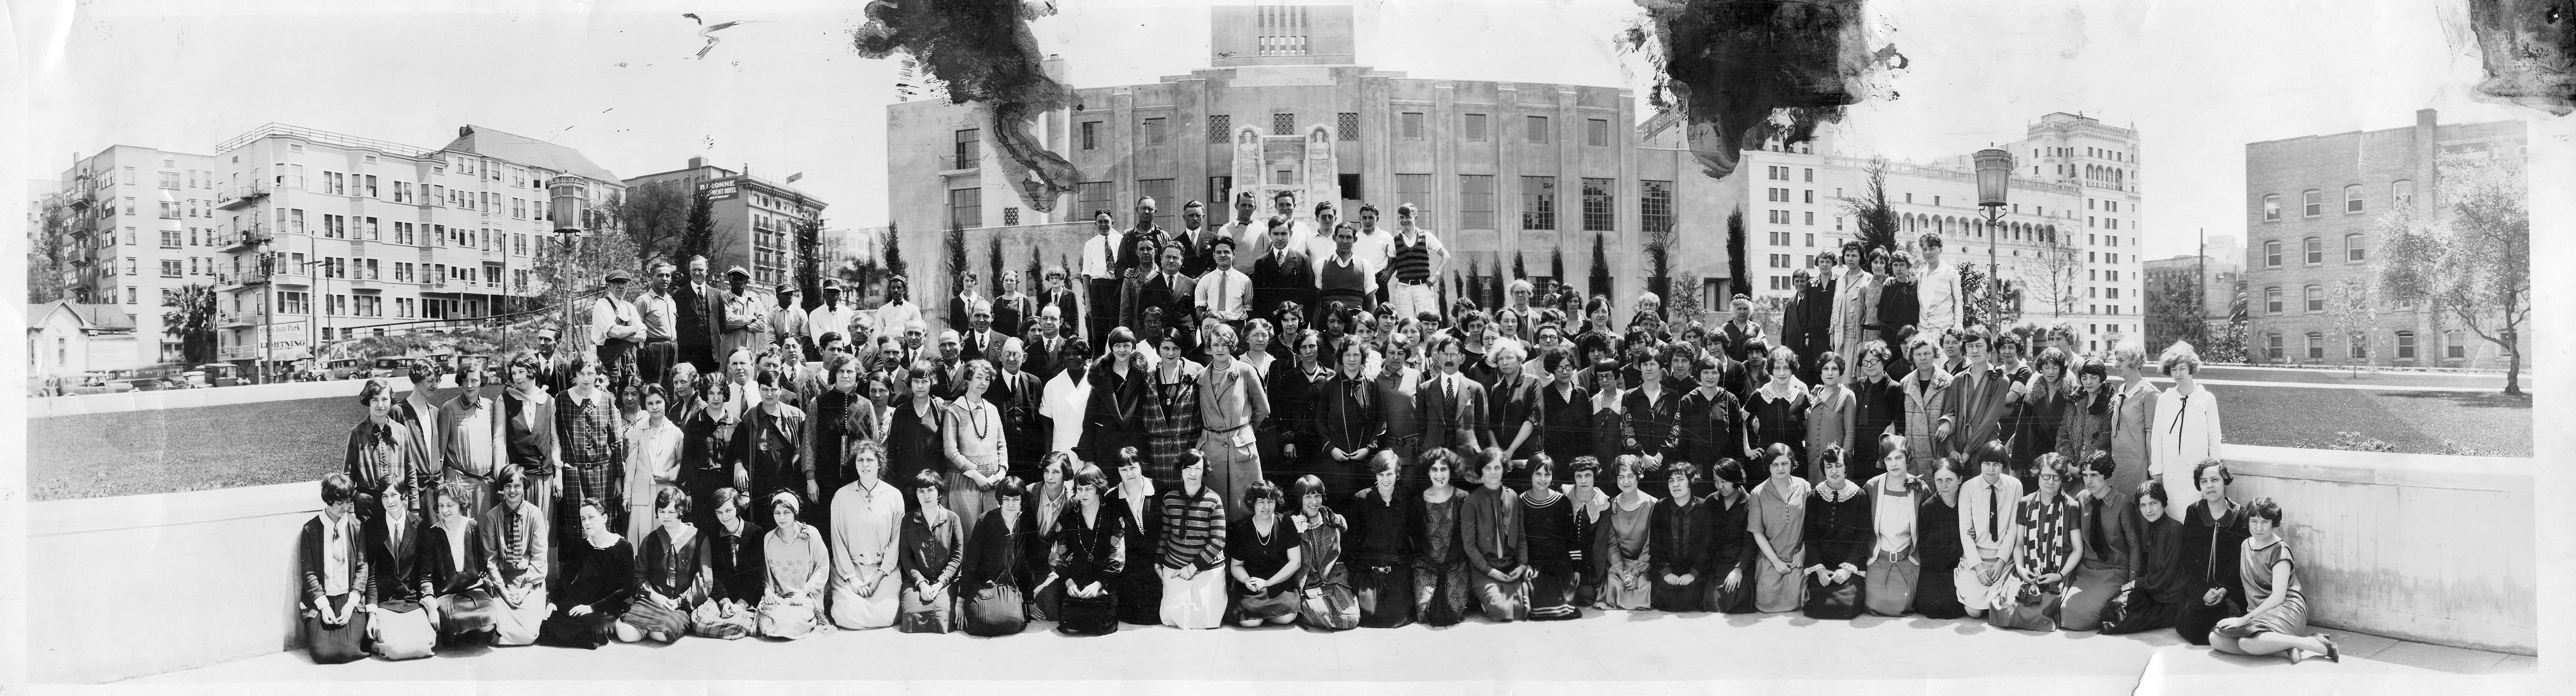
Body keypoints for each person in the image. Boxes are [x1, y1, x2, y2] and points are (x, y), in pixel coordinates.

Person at [1997, 453, 2084, 632]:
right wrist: (2021, 569)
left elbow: (2077, 549)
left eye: (2056, 478)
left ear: (2062, 479)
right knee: (2004, 609)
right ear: (2038, 475)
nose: (2050, 482)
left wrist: (2059, 576)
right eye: (2046, 476)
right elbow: (2020, 544)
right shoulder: (2025, 503)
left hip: (2058, 572)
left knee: (2041, 614)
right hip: (2028, 568)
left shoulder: (2071, 506)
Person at [536, 498, 635, 649]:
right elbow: (565, 579)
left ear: (605, 518)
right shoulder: (582, 546)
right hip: (579, 600)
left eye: (591, 517)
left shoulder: (623, 547)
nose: (587, 523)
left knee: (593, 628)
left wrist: (592, 607)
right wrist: (552, 602)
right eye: (583, 519)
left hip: (605, 606)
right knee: (548, 620)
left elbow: (626, 589)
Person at [1194, 324, 1270, 518]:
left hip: (1241, 449)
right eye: (1215, 344)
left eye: (1225, 345)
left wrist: (1245, 431)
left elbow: (1263, 409)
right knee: (1213, 508)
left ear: (1232, 347)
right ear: (1209, 347)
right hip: (1212, 448)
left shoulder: (1245, 371)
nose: (1220, 349)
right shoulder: (1202, 376)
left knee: (1245, 507)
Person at [826, 441, 904, 629]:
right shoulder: (841, 496)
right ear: (855, 464)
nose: (865, 464)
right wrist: (853, 579)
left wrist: (878, 577)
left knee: (885, 616)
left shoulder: (894, 496)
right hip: (849, 569)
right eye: (860, 460)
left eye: (870, 459)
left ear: (880, 463)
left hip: (883, 569)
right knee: (845, 616)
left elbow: (896, 541)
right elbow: (837, 541)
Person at [2097, 480, 2191, 636]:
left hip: (2170, 599)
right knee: (2112, 607)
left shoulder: (2175, 528)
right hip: (2153, 593)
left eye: (2153, 503)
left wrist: (2135, 584)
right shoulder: (2151, 525)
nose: (2148, 510)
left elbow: (2166, 577)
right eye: (2143, 505)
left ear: (2163, 503)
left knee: (2117, 622)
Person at [2060, 452, 2140, 631]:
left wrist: (2131, 583)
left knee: (2082, 619)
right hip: (2087, 571)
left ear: (2107, 476)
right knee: (2064, 612)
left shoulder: (2123, 503)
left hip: (2114, 572)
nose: (2089, 481)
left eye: (2095, 476)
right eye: (2085, 475)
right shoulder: (2081, 498)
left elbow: (2135, 546)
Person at [298, 474, 373, 664]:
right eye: (340, 503)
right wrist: (323, 607)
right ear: (329, 500)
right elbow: (308, 573)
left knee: (351, 650)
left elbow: (362, 567)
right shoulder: (311, 529)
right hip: (322, 600)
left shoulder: (356, 526)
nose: (345, 508)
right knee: (322, 652)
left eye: (348, 502)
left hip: (349, 598)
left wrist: (351, 604)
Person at [2175, 459, 2251, 644]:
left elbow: (2240, 562)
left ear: (2225, 481)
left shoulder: (2240, 516)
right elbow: (2188, 557)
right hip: (2201, 588)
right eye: (2204, 481)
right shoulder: (2194, 512)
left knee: (2232, 623)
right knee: (2193, 622)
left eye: (2215, 480)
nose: (2210, 486)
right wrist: (2203, 591)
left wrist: (2224, 590)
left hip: (2231, 590)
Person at [1048, 462, 1128, 635]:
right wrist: (1069, 582)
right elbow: (1057, 554)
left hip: (1105, 581)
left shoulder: (1112, 513)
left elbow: (1118, 556)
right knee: (1070, 628)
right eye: (1079, 489)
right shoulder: (1070, 512)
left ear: (1099, 488)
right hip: (1076, 580)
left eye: (1088, 489)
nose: (1083, 494)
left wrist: (1098, 585)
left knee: (1100, 627)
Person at [416, 483, 498, 645]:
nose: (445, 510)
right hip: (447, 595)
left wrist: (485, 583)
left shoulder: (472, 526)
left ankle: (469, 632)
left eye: (450, 505)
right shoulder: (432, 534)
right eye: (441, 505)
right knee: (460, 623)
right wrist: (431, 605)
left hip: (473, 590)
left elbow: (480, 565)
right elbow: (425, 576)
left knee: (489, 623)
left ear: (461, 505)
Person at [478, 466, 550, 646]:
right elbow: (490, 559)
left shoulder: (535, 515)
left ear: (525, 486)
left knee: (529, 634)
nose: (512, 491)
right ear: (502, 488)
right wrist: (502, 590)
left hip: (529, 581)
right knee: (494, 627)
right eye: (508, 485)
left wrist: (526, 589)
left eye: (518, 486)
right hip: (502, 581)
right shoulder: (492, 516)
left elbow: (540, 556)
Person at [1457, 451, 1533, 621]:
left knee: (1525, 610)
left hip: (1510, 568)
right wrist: (1490, 571)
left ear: (1504, 470)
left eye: (1497, 467)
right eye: (1488, 468)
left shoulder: (1514, 497)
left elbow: (1521, 537)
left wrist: (1522, 566)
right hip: (1484, 570)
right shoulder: (1472, 502)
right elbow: (1469, 546)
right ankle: (1485, 599)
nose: (1493, 472)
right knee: (1501, 611)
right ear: (1481, 471)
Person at [1157, 451, 1230, 629]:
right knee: (1174, 619)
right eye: (1188, 468)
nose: (1192, 474)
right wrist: (1158, 563)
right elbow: (1165, 534)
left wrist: (1192, 568)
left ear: (1204, 470)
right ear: (1180, 471)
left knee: (1208, 621)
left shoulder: (1213, 500)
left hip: (1207, 569)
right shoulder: (1169, 499)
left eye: (1198, 468)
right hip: (1176, 567)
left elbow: (1218, 541)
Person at [2149, 342, 2224, 510]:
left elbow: (2214, 439)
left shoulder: (2207, 399)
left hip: (2197, 474)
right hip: (2170, 475)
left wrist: (2212, 472)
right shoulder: (2164, 399)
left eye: (2182, 369)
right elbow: (2157, 439)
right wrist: (2158, 471)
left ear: (2191, 368)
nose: (2178, 374)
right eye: (2174, 370)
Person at [1954, 440, 2024, 619]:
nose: (1991, 469)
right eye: (1987, 464)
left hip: (2004, 558)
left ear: (2003, 466)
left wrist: (2001, 562)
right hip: (1977, 557)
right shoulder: (1968, 488)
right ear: (1981, 464)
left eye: (1996, 464)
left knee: (2004, 609)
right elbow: (1965, 532)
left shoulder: (2015, 486)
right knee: (1974, 612)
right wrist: (1979, 568)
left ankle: (1997, 599)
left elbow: (2012, 529)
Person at [1348, 451, 1416, 628]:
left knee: (1398, 616)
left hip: (1398, 571)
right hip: (1369, 572)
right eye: (1380, 474)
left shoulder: (1407, 498)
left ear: (1397, 474)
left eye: (1390, 474)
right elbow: (1353, 542)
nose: (1385, 480)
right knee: (1371, 617)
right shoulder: (1362, 499)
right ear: (1375, 475)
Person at [1801, 446, 1871, 620]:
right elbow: (1810, 537)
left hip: (1849, 568)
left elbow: (1863, 537)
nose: (1834, 471)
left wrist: (1848, 569)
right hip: (1823, 568)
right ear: (1823, 469)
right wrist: (1819, 570)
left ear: (1846, 467)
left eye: (1838, 466)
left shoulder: (1860, 495)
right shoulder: (1814, 497)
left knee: (1846, 607)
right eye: (1829, 466)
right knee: (1818, 608)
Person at [1282, 475, 1358, 631]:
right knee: (1320, 612)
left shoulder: (1335, 521)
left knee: (1351, 618)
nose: (1314, 502)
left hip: (1332, 579)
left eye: (1318, 496)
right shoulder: (1288, 521)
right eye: (1308, 497)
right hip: (1305, 583)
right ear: (1300, 498)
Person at [942, 360, 1009, 537]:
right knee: (969, 535)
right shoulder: (954, 411)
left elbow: (1002, 444)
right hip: (964, 484)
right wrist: (976, 475)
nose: (983, 383)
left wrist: (1002, 472)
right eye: (979, 377)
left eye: (987, 379)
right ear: (968, 380)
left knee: (993, 535)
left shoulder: (992, 410)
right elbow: (950, 451)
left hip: (993, 483)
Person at [625, 487, 699, 643]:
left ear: (681, 511)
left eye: (671, 512)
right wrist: (654, 596)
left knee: (663, 634)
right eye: (662, 511)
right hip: (652, 601)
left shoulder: (699, 539)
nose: (666, 517)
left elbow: (705, 582)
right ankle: (644, 627)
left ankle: (647, 628)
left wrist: (680, 601)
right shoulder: (650, 540)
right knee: (626, 633)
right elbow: (638, 577)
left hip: (679, 606)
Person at [1226, 479, 1305, 626]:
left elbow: (1296, 562)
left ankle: (1265, 614)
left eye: (1271, 502)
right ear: (1253, 503)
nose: (1267, 507)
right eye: (1261, 502)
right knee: (1250, 623)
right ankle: (1262, 614)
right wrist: (1247, 581)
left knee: (1286, 618)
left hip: (1279, 583)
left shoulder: (1286, 524)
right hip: (1253, 584)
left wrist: (1269, 583)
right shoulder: (1243, 528)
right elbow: (1236, 566)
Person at [893, 470, 963, 634]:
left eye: (931, 490)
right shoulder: (908, 520)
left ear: (939, 492)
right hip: (916, 582)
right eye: (921, 491)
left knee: (943, 618)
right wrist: (921, 583)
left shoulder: (953, 519)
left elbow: (957, 557)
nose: (926, 496)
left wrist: (940, 584)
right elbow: (906, 557)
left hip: (946, 581)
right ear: (916, 494)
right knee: (911, 617)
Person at [756, 491, 832, 639]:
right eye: (777, 513)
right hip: (779, 597)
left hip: (805, 597)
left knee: (791, 625)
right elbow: (767, 573)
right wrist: (768, 592)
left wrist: (803, 592)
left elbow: (822, 567)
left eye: (787, 513)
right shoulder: (769, 539)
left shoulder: (811, 534)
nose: (781, 518)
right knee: (768, 625)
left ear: (795, 513)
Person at [1862, 435, 1925, 617]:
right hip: (1878, 559)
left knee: (1902, 605)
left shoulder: (1920, 488)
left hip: (1908, 559)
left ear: (1908, 458)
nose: (1894, 464)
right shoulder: (1872, 486)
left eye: (1899, 458)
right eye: (1889, 459)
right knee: (1875, 603)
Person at [689, 488, 764, 639]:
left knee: (741, 625)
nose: (724, 517)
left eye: (728, 510)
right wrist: (725, 602)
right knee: (699, 622)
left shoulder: (755, 533)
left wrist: (741, 604)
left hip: (749, 597)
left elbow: (755, 576)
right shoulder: (712, 535)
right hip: (723, 597)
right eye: (719, 512)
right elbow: (713, 574)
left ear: (738, 508)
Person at [1410, 448, 1474, 624]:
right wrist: (1429, 562)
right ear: (1428, 472)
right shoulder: (1419, 501)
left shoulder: (1463, 498)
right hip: (1426, 567)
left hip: (1456, 567)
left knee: (1451, 614)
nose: (1439, 474)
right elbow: (1416, 539)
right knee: (1425, 615)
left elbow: (1467, 539)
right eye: (1434, 469)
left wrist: (1451, 563)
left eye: (1444, 469)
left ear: (1451, 471)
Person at [1589, 455, 1660, 612]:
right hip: (1618, 564)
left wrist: (1635, 574)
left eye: (1630, 476)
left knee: (1644, 589)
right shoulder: (1610, 505)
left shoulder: (1653, 504)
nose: (1626, 482)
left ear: (1639, 476)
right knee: (1615, 588)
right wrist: (1622, 573)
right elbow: (1611, 544)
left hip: (1644, 564)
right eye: (1621, 477)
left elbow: (1651, 544)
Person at [346, 378, 420, 525]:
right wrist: (351, 509)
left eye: (385, 399)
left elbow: (411, 472)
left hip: (397, 506)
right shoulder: (357, 433)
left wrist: (415, 506)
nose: (381, 405)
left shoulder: (401, 431)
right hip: (367, 510)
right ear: (368, 401)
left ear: (391, 400)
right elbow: (348, 476)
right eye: (375, 400)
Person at [1079, 329, 1152, 476]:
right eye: (1117, 345)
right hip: (1107, 449)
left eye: (1126, 345)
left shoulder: (1143, 374)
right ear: (1112, 348)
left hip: (1134, 448)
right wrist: (1088, 458)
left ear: (1133, 347)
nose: (1122, 350)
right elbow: (1089, 420)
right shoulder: (1100, 375)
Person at [439, 358, 507, 516]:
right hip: (459, 483)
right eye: (465, 380)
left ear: (482, 381)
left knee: (485, 534)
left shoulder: (490, 406)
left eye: (474, 380)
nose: (469, 385)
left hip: (486, 485)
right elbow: (441, 453)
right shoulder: (449, 408)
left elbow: (498, 441)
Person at [1106, 449, 1166, 626]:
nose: (1129, 473)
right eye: (1123, 470)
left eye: (1133, 467)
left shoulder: (1160, 489)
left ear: (1141, 466)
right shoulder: (1111, 497)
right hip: (1130, 566)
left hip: (1158, 559)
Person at [1648, 460, 1715, 612]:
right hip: (1667, 572)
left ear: (1691, 482)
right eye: (1671, 481)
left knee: (1690, 599)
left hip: (1694, 573)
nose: (1675, 485)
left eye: (1680, 480)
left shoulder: (1703, 507)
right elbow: (1656, 544)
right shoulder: (1661, 506)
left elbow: (1707, 546)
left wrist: (1693, 574)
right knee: (1666, 600)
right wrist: (1666, 573)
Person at [623, 386, 684, 542]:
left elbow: (682, 463)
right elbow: (631, 466)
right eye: (650, 404)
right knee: (641, 543)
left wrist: (668, 475)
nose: (655, 407)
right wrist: (627, 495)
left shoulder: (676, 432)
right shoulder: (638, 431)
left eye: (659, 402)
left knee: (664, 542)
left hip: (666, 498)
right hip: (641, 497)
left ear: (666, 403)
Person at [1912, 458, 1968, 619]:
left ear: (1960, 480)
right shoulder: (1928, 508)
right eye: (1939, 480)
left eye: (1950, 480)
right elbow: (1925, 549)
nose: (1944, 486)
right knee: (1935, 605)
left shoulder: (1967, 503)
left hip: (1964, 564)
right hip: (1938, 568)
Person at [884, 361, 946, 504]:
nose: (920, 386)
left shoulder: (941, 411)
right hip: (906, 484)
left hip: (933, 483)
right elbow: (892, 451)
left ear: (932, 383)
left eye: (925, 381)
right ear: (910, 383)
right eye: (916, 381)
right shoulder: (901, 411)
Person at [2107, 341, 2162, 496]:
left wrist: (2153, 470)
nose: (2116, 364)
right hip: (2118, 463)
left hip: (2137, 465)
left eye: (2121, 360)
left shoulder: (2150, 393)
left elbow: (2152, 435)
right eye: (2116, 359)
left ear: (2135, 362)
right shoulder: (2122, 389)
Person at [1746, 348, 1810, 465]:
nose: (1782, 373)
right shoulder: (1759, 396)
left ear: (1792, 370)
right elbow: (1742, 421)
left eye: (1786, 368)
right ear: (1771, 370)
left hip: (1795, 460)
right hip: (1767, 460)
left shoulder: (1801, 397)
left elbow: (1810, 428)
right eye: (1777, 368)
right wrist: (1747, 449)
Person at [1847, 342, 1905, 468]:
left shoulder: (1895, 388)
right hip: (1860, 449)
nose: (1869, 366)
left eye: (1873, 361)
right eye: (1865, 362)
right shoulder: (1860, 384)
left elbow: (1900, 426)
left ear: (1883, 361)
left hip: (1882, 451)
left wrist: (1888, 455)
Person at [1803, 352, 1857, 482]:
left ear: (1841, 372)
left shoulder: (1847, 396)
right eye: (1826, 369)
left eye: (1834, 369)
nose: (1830, 373)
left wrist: (1844, 462)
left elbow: (1850, 432)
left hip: (1836, 463)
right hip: (1812, 461)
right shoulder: (1814, 395)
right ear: (1820, 372)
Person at [2056, 359, 2114, 465]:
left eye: (2094, 378)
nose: (2088, 382)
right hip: (2072, 467)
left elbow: (2105, 440)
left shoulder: (2112, 403)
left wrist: (2082, 466)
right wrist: (2069, 462)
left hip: (2096, 467)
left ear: (2102, 377)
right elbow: (2063, 433)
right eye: (2084, 378)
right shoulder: (2074, 401)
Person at [1915, 233, 1961, 337]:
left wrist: (1958, 327)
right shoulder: (1921, 274)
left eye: (1932, 249)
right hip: (1923, 333)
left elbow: (1958, 301)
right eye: (1924, 249)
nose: (1928, 253)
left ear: (1940, 249)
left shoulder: (1951, 273)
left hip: (1944, 332)